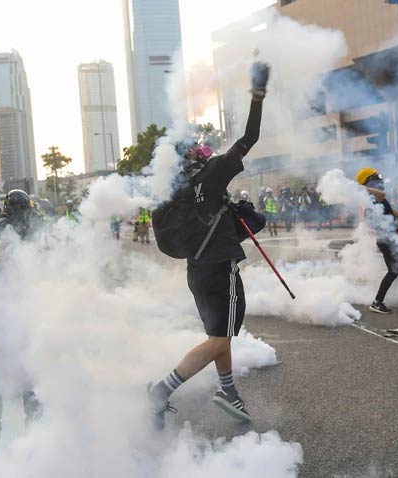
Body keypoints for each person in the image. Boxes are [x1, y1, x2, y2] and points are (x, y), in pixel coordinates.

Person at [147, 60, 269, 430]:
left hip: (197, 271)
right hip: (220, 268)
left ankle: (229, 391)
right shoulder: (212, 173)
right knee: (220, 339)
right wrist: (258, 96)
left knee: (219, 335)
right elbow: (250, 138)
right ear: (193, 155)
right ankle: (161, 390)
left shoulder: (177, 189)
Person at [356, 167, 398, 314]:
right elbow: (382, 195)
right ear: (368, 182)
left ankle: (392, 294)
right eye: (376, 177)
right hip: (385, 239)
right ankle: (377, 302)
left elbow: (390, 209)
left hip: (391, 237)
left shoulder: (376, 197)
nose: (380, 179)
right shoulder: (371, 198)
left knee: (397, 268)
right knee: (393, 271)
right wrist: (363, 188)